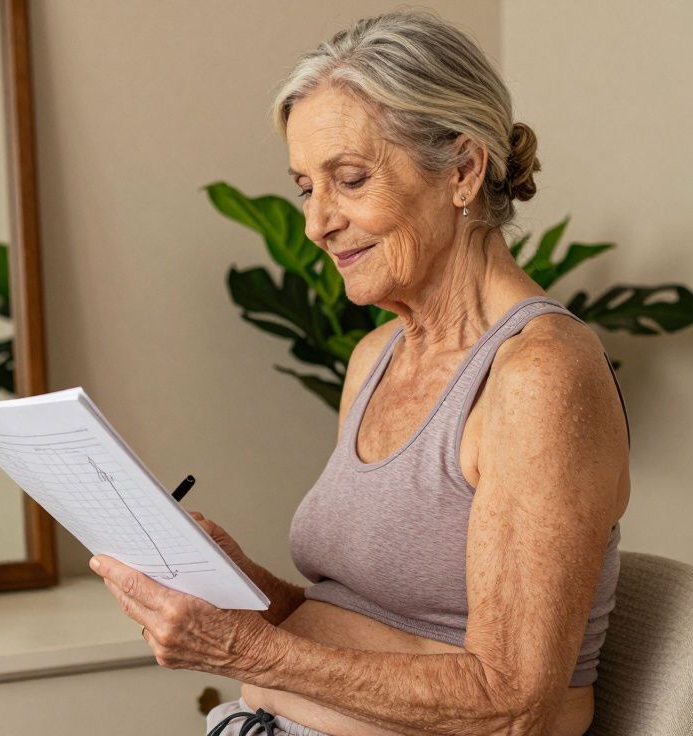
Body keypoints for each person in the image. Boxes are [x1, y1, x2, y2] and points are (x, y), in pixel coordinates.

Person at [91, 11, 628, 736]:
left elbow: (511, 704)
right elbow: (361, 627)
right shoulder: (376, 358)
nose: (317, 223)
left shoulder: (538, 374)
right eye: (305, 188)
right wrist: (242, 587)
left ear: (463, 171)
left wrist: (246, 650)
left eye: (350, 180)